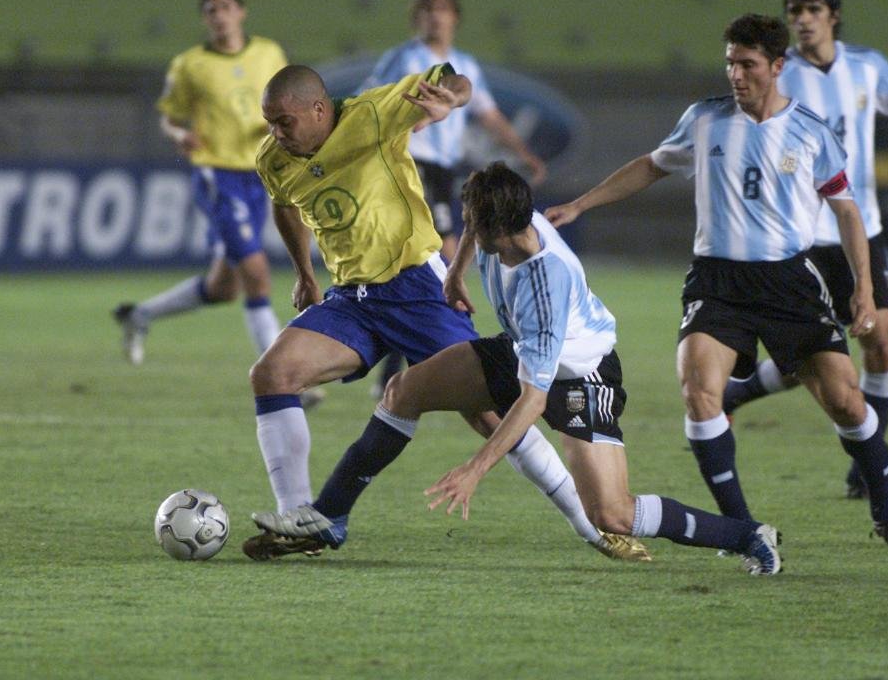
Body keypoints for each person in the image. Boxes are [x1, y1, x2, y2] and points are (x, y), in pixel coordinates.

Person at [251, 163, 782, 575]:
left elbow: (532, 400)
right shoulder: (503, 221)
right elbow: (470, 222)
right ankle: (330, 516)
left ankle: (748, 535)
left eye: (478, 234)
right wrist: (455, 275)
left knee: (613, 514)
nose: (473, 238)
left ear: (503, 232)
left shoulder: (544, 283)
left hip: (582, 376)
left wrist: (474, 470)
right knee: (402, 390)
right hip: (520, 348)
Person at [545, 14, 888, 548]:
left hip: (790, 281)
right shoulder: (704, 120)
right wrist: (580, 204)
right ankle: (744, 532)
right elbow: (651, 165)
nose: (736, 75)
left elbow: (847, 213)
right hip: (717, 282)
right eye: (730, 63)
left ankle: (886, 513)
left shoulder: (811, 131)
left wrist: (863, 287)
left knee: (846, 402)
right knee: (700, 394)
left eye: (747, 64)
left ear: (776, 66)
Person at [241, 64, 645, 562]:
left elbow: (457, 80)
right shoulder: (274, 158)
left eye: (284, 121)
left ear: (319, 111)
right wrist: (305, 271)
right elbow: (285, 203)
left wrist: (449, 102)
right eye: (269, 123)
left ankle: (596, 529)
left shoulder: (371, 114)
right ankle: (302, 518)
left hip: (417, 287)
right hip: (353, 298)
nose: (275, 134)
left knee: (488, 413)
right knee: (272, 374)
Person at [722, 0, 888, 499]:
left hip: (860, 225)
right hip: (801, 235)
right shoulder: (779, 72)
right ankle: (742, 394)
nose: (801, 18)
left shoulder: (868, 67)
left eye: (812, 8)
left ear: (833, 15)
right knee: (813, 360)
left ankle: (864, 466)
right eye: (794, 9)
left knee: (879, 345)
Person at [113, 0, 306, 387]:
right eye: (211, 10)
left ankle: (139, 315)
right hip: (218, 175)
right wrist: (177, 135)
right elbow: (169, 116)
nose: (219, 15)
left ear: (242, 12)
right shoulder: (190, 64)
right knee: (257, 275)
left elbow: (285, 103)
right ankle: (280, 375)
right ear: (205, 18)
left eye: (225, 7)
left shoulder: (269, 54)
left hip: (262, 173)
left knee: (223, 288)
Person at [362, 0, 548, 394]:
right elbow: (368, 100)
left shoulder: (464, 65)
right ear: (418, 18)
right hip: (411, 165)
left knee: (425, 259)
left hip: (444, 170)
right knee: (442, 255)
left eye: (442, 10)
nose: (435, 16)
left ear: (454, 18)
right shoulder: (405, 57)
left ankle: (403, 358)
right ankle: (450, 349)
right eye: (427, 9)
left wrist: (523, 152)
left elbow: (489, 114)